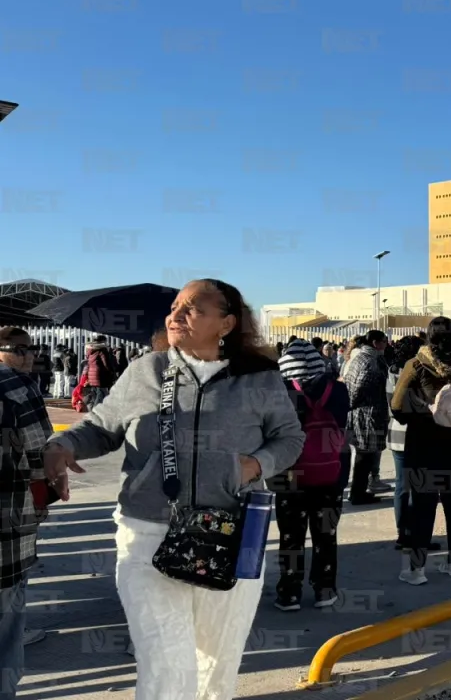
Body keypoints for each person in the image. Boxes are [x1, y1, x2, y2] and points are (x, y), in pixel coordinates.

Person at [43, 279, 304, 700]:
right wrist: (64, 444)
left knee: (217, 665)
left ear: (227, 323)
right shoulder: (146, 370)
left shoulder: (260, 379)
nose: (175, 315)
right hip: (148, 533)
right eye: (175, 307)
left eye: (193, 308)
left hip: (231, 534)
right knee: (166, 664)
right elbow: (102, 425)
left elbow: (290, 438)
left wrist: (257, 464)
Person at [390, 317, 451, 582]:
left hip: (424, 443)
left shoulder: (416, 364)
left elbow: (397, 406)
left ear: (429, 336)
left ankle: (417, 570)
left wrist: (421, 413)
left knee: (423, 504)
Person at [271, 340, 350, 611]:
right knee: (325, 534)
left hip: (290, 475)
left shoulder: (280, 393)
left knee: (291, 536)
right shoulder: (338, 390)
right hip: (330, 473)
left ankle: (289, 593)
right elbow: (341, 426)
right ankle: (324, 590)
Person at [0, 327, 56, 698]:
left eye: (30, 348)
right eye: (16, 348)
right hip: (7, 527)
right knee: (7, 623)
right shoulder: (18, 387)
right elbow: (41, 452)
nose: (26, 355)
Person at [344, 330, 390, 504]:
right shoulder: (369, 361)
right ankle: (357, 493)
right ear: (375, 343)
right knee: (365, 455)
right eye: (384, 341)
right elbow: (358, 387)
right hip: (367, 414)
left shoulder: (363, 357)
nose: (386, 344)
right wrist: (356, 403)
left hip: (364, 412)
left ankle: (359, 491)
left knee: (366, 455)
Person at [80, 335, 118, 410]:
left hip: (92, 375)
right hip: (100, 375)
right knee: (101, 394)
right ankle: (95, 411)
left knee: (96, 394)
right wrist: (112, 372)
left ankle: (92, 409)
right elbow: (106, 363)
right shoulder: (102, 350)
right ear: (103, 341)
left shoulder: (90, 350)